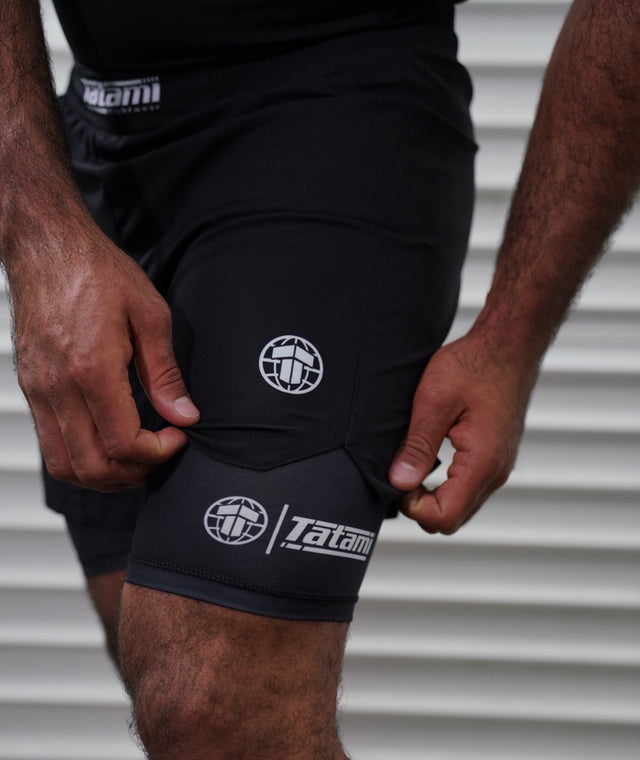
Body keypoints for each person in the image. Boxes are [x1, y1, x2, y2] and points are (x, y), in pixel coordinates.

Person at [1, 0, 638, 757]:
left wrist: (512, 337)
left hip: (329, 110)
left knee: (209, 705)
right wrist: (38, 234)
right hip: (91, 134)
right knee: (150, 662)